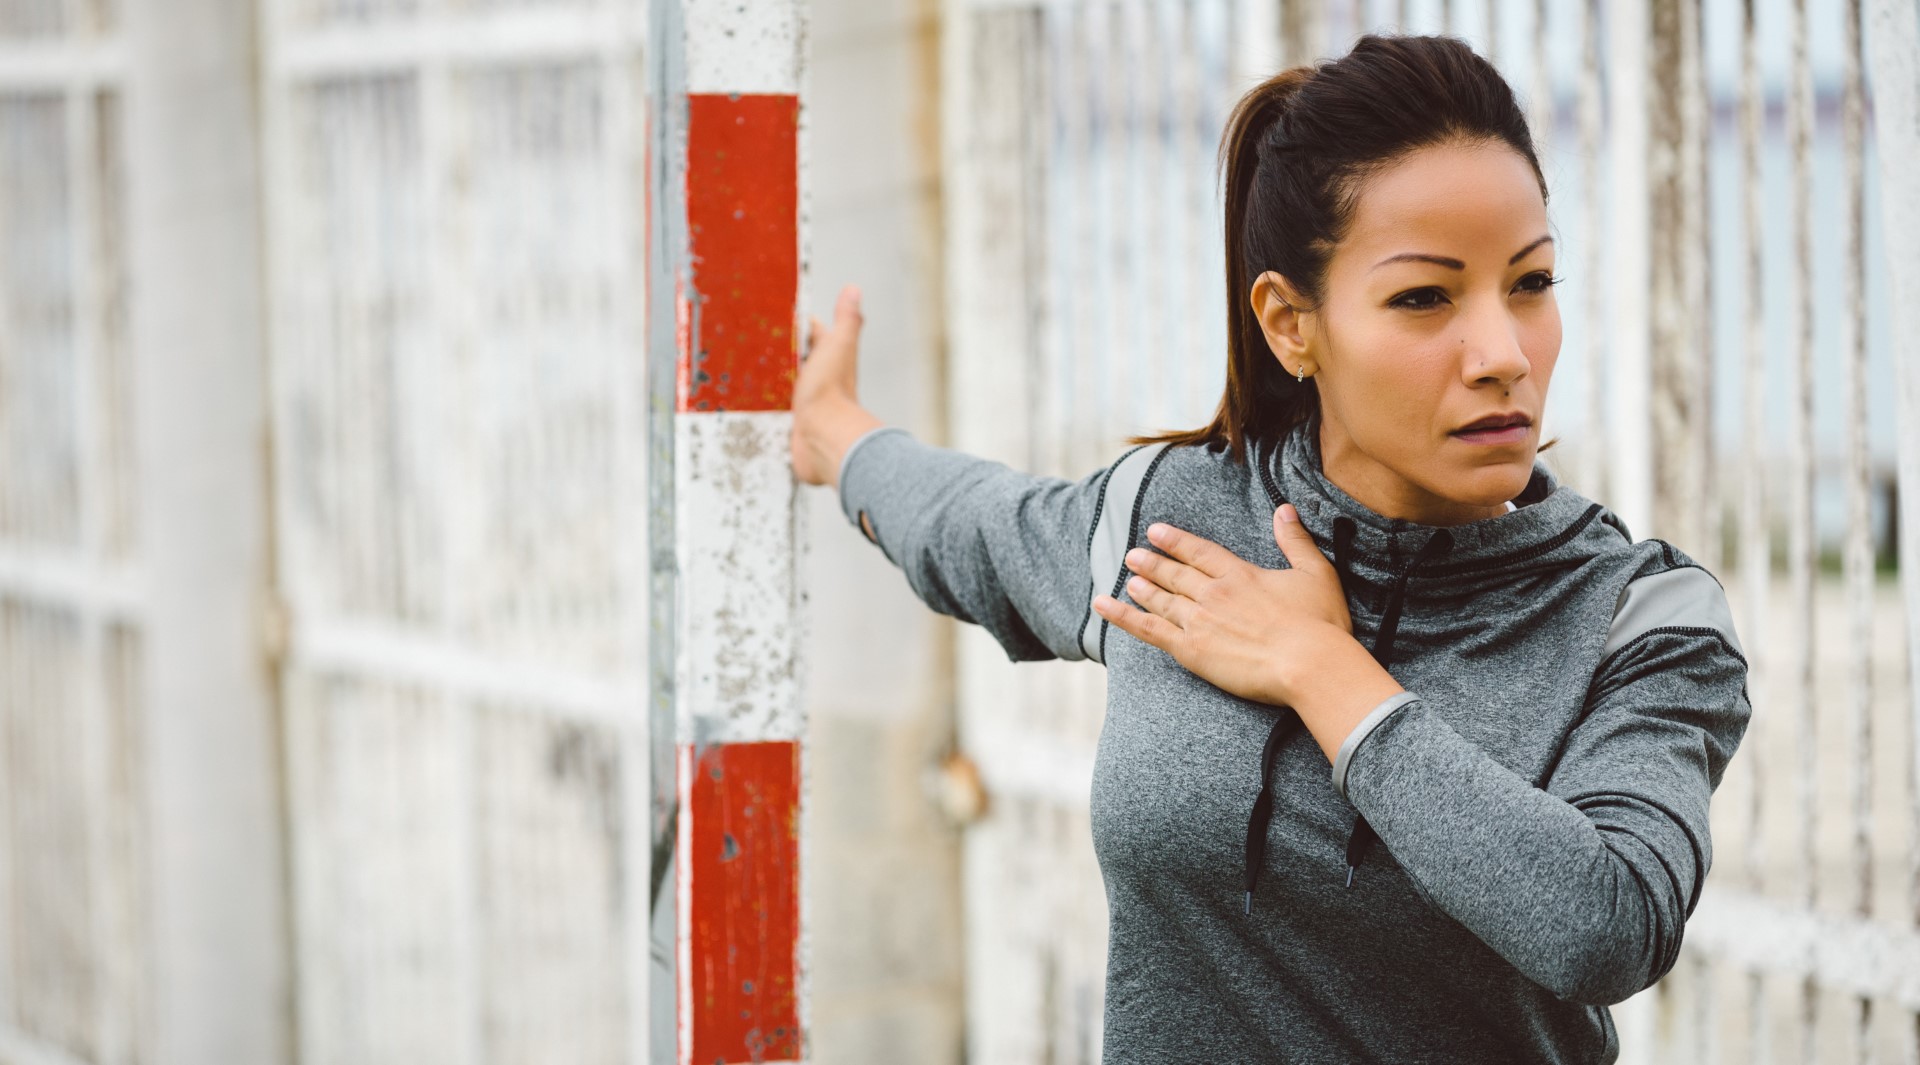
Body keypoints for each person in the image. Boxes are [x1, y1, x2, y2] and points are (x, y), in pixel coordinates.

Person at [789, 32, 1750, 1065]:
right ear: (1293, 326)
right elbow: (973, 523)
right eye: (1426, 297)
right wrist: (839, 435)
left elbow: (1607, 925)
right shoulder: (1173, 525)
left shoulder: (1640, 619)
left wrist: (1324, 672)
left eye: (1532, 281)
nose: (1504, 355)